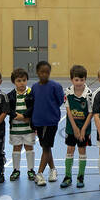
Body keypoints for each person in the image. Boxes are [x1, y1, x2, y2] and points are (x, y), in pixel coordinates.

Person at [30, 60, 65, 188]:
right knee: (46, 147)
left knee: (46, 147)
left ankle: (39, 173)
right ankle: (53, 169)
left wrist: (50, 110)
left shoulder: (55, 86)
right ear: (37, 72)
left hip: (50, 122)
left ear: (50, 73)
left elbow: (60, 100)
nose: (44, 74)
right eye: (42, 72)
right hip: (38, 122)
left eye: (47, 72)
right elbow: (33, 103)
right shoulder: (34, 87)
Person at [62, 65, 92, 189]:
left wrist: (83, 129)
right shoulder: (68, 92)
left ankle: (80, 177)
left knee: (82, 151)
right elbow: (68, 111)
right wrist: (74, 128)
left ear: (85, 79)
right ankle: (67, 177)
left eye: (81, 80)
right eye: (76, 80)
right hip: (71, 128)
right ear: (71, 80)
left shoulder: (89, 94)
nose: (79, 83)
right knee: (70, 150)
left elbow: (90, 113)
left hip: (84, 128)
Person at [8, 67, 34, 179]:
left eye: (24, 80)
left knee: (29, 148)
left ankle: (31, 170)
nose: (22, 83)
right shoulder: (10, 95)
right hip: (15, 128)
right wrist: (16, 116)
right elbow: (8, 109)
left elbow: (34, 107)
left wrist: (24, 116)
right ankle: (16, 170)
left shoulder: (31, 93)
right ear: (14, 82)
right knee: (16, 148)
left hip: (29, 128)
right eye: (19, 81)